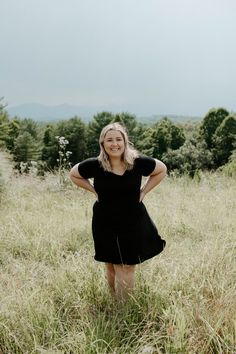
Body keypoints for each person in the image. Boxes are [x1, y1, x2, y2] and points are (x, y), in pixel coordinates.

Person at [69, 122, 167, 301]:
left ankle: (124, 310)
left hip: (132, 220)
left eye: (118, 139)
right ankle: (114, 301)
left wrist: (144, 191)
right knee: (111, 264)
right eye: (109, 140)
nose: (114, 144)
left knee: (127, 265)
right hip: (105, 220)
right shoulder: (95, 165)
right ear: (103, 144)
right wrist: (93, 190)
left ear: (125, 141)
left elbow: (161, 169)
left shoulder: (137, 162)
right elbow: (73, 174)